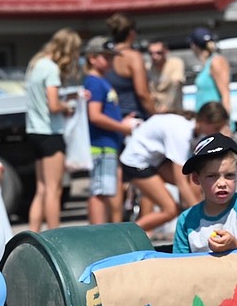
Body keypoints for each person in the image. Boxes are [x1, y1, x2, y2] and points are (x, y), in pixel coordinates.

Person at [119, 101, 229, 234]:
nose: (216, 133)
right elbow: (181, 182)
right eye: (216, 129)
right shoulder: (181, 133)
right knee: (170, 210)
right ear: (205, 121)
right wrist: (202, 219)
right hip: (136, 162)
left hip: (154, 158)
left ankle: (202, 222)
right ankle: (125, 234)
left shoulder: (195, 128)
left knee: (196, 182)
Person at [173, 133, 237, 255]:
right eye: (212, 176)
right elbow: (180, 267)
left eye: (229, 175)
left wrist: (235, 246)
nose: (222, 183)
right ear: (196, 179)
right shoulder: (186, 220)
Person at [24, 27, 81, 231]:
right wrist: (68, 106)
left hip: (34, 131)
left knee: (41, 189)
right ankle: (55, 236)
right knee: (53, 190)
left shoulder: (36, 64)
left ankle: (33, 232)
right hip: (50, 134)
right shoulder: (52, 68)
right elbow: (54, 105)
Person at [82, 36, 137, 224]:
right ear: (92, 58)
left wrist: (123, 121)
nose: (111, 61)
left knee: (106, 191)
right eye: (106, 57)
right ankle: (97, 235)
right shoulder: (95, 82)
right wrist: (122, 127)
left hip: (108, 145)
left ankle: (102, 230)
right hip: (101, 145)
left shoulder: (101, 81)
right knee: (100, 192)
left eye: (112, 57)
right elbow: (95, 115)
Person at [105, 13, 155, 118]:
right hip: (134, 116)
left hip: (113, 116)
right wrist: (156, 115)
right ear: (131, 33)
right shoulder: (133, 57)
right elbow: (142, 92)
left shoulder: (107, 57)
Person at [190, 27, 231, 114]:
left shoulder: (216, 61)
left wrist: (226, 121)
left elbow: (225, 94)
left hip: (215, 119)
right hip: (205, 120)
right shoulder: (207, 65)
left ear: (194, 46)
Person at [147, 40, 184, 113]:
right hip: (156, 112)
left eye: (159, 53)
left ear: (166, 51)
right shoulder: (148, 68)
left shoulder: (175, 63)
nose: (154, 56)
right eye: (151, 53)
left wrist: (167, 106)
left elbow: (175, 84)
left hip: (175, 111)